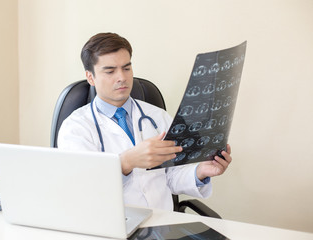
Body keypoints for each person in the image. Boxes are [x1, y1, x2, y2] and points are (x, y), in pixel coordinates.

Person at [58, 32, 232, 210]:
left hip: (163, 225)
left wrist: (201, 172)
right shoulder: (75, 128)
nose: (122, 77)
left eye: (126, 68)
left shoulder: (157, 117)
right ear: (90, 77)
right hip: (112, 229)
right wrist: (126, 162)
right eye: (110, 71)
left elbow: (172, 176)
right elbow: (82, 189)